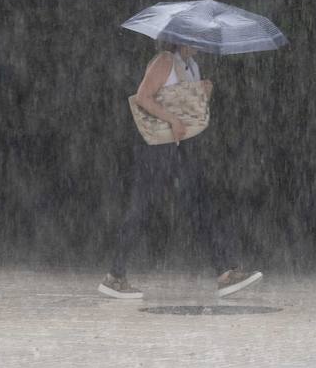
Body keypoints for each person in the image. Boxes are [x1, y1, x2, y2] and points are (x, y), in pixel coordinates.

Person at [98, 42, 262, 300]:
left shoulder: (191, 66)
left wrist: (204, 93)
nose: (201, 43)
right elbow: (143, 97)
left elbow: (189, 110)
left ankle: (224, 273)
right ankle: (115, 276)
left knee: (199, 205)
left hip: (181, 146)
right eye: (196, 38)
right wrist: (172, 120)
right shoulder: (165, 60)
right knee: (142, 207)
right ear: (182, 38)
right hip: (158, 147)